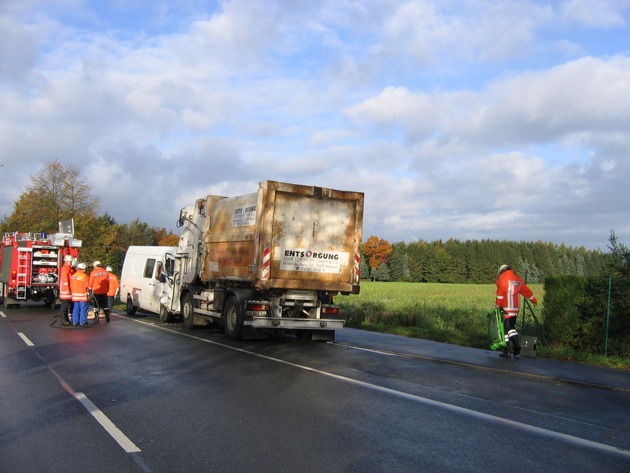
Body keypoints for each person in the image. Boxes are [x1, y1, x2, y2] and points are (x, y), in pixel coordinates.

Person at [495, 264, 537, 357]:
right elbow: (526, 291)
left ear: (502, 271)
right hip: (515, 309)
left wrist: (497, 305)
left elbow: (500, 293)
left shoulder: (503, 278)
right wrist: (533, 300)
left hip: (506, 308)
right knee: (511, 328)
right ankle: (514, 347)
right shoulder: (517, 279)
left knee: (505, 330)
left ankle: (508, 350)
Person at [58, 254, 75, 324]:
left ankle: (66, 319)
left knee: (68, 305)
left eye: (71, 261)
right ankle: (63, 319)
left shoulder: (69, 269)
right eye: (69, 261)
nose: (70, 263)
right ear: (66, 261)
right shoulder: (65, 269)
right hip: (65, 291)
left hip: (68, 290)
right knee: (64, 305)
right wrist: (67, 289)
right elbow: (65, 280)